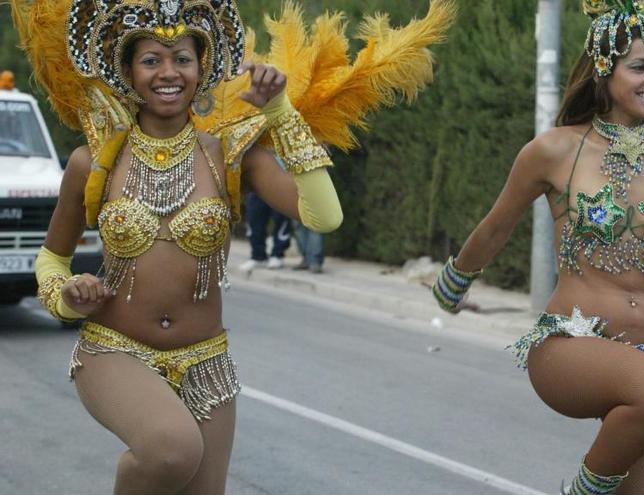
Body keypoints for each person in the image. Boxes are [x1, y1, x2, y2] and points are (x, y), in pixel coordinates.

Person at [16, 0, 454, 492]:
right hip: (115, 352)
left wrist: (280, 111)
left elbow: (324, 217)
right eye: (151, 60)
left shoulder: (231, 157)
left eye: (182, 58)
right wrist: (66, 295)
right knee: (170, 450)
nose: (168, 72)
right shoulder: (92, 160)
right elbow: (52, 259)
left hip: (207, 363)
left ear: (203, 69)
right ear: (126, 71)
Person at [432, 1, 644, 493]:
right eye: (638, 67)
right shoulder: (555, 149)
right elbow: (498, 225)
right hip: (570, 347)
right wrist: (452, 283)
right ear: (603, 74)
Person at [241, 191, 293, 272]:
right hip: (255, 186)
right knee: (254, 218)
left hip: (279, 185)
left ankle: (277, 255)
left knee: (281, 218)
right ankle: (258, 256)